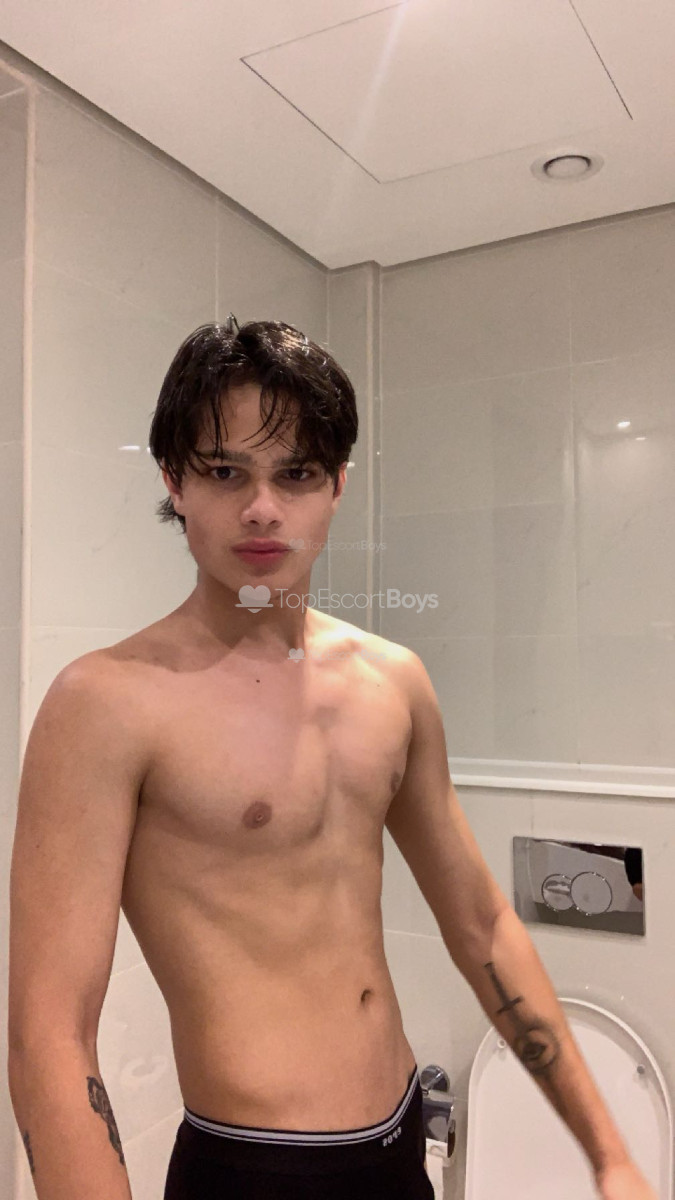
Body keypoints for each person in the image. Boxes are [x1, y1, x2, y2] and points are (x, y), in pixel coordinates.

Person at [8, 318, 656, 1200]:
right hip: (253, 1166)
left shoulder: (393, 682)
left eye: (297, 473)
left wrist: (609, 1152)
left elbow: (481, 925)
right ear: (174, 480)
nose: (262, 507)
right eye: (224, 471)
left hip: (399, 1140)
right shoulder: (106, 703)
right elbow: (49, 1034)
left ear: (337, 485)